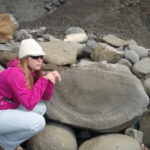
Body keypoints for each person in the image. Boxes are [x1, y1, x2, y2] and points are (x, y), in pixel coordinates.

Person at [0, 39, 61, 150]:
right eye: (35, 56)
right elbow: (29, 103)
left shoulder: (30, 71)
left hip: (6, 107)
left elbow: (45, 97)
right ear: (25, 58)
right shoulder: (15, 73)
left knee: (41, 108)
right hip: (2, 110)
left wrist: (48, 80)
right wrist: (43, 80)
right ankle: (5, 144)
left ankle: (5, 139)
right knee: (38, 122)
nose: (39, 60)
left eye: (41, 57)